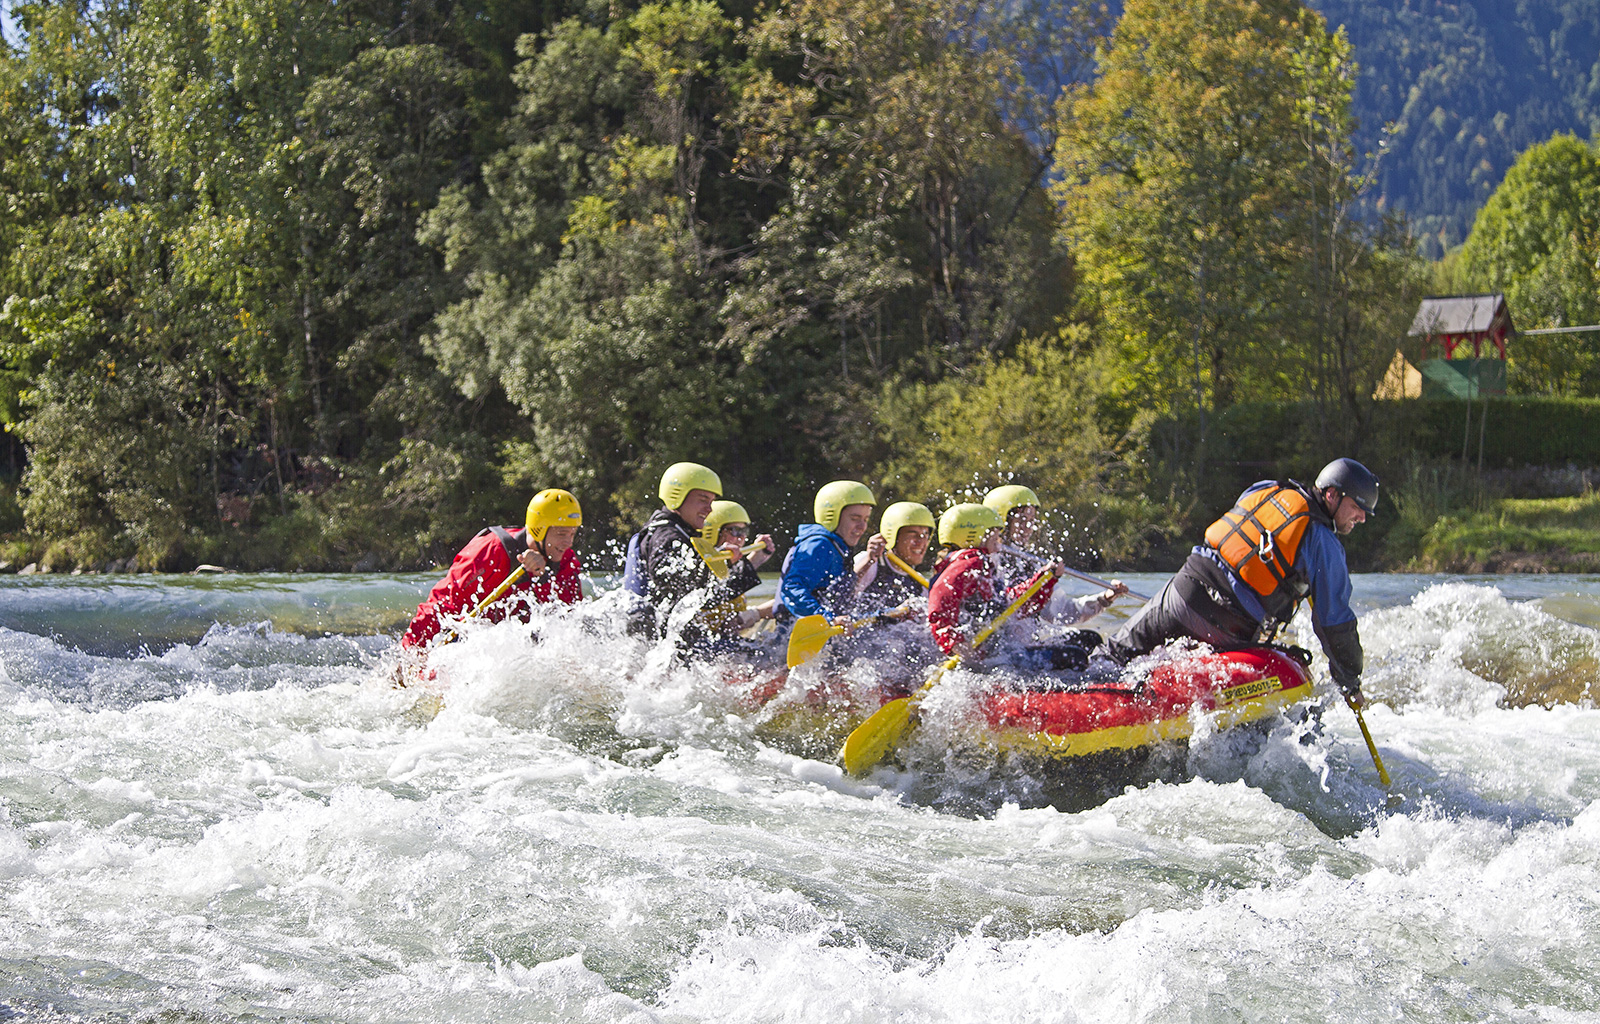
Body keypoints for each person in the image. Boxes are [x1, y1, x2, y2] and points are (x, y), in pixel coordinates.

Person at [1098, 458, 1379, 705]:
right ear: (1332, 494)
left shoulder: (1267, 489)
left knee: (1108, 660)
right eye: (1357, 507)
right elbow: (1335, 622)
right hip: (1222, 628)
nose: (1362, 518)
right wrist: (1350, 682)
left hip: (1179, 594)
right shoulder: (1324, 544)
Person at [400, 488, 585, 651]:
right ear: (539, 529)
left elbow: (566, 619)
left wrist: (542, 578)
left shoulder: (566, 561)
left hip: (519, 647)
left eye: (572, 534)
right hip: (467, 642)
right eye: (561, 533)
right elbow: (443, 602)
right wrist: (411, 652)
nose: (568, 542)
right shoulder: (491, 551)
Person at [626, 462, 775, 651]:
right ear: (677, 495)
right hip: (659, 644)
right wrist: (720, 563)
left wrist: (751, 561)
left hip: (675, 642)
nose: (709, 509)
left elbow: (704, 594)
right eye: (703, 499)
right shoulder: (665, 535)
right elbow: (672, 579)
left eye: (711, 502)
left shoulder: (678, 533)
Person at [776, 480, 886, 621]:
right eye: (855, 518)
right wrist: (828, 619)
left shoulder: (839, 548)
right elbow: (791, 589)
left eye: (866, 519)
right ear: (832, 516)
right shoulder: (819, 545)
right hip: (795, 635)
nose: (862, 527)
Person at [692, 499, 777, 629]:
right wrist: (758, 613)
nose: (741, 538)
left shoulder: (728, 572)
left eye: (744, 532)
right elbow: (720, 623)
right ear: (714, 532)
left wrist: (757, 557)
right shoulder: (699, 572)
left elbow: (731, 582)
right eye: (735, 531)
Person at [853, 501, 936, 606]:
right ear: (894, 536)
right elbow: (843, 591)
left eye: (925, 534)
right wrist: (868, 561)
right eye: (913, 534)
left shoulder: (920, 583)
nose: (921, 542)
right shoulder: (871, 563)